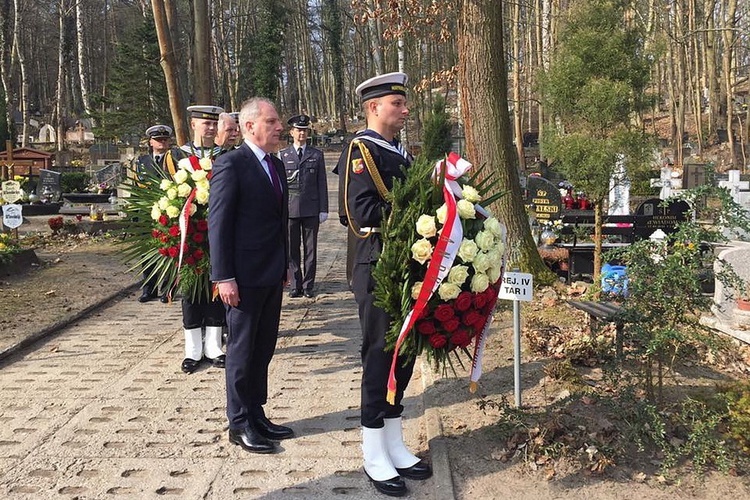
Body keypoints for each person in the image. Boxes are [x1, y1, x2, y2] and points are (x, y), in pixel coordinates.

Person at [336, 72, 432, 496]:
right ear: (374, 107)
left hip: (405, 267)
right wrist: (416, 212)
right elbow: (357, 214)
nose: (406, 109)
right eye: (398, 102)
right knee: (380, 355)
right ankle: (373, 447)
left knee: (404, 353)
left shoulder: (400, 153)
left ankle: (394, 441)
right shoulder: (362, 150)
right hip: (376, 266)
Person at [208, 97, 293, 455]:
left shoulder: (276, 165)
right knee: (241, 351)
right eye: (272, 121)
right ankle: (239, 422)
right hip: (241, 277)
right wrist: (223, 275)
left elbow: (279, 220)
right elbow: (219, 223)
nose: (279, 128)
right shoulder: (232, 164)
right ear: (249, 127)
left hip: (271, 273)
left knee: (263, 347)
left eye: (278, 122)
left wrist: (286, 263)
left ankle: (257, 412)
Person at [164, 105, 227, 374]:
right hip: (190, 236)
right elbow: (167, 194)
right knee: (190, 292)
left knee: (216, 289)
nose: (210, 128)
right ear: (193, 124)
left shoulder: (226, 156)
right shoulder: (176, 156)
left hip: (217, 235)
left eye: (214, 124)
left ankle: (214, 346)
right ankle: (192, 349)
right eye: (205, 123)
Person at [278, 114, 328, 298]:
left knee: (311, 249)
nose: (302, 134)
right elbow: (281, 185)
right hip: (291, 209)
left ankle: (308, 285)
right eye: (298, 130)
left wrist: (323, 209)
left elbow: (321, 183)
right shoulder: (283, 155)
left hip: (311, 209)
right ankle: (295, 284)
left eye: (305, 131)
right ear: (291, 132)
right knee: (292, 249)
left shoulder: (316, 155)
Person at [136, 124, 173, 303]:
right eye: (158, 140)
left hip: (168, 212)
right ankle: (148, 288)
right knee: (147, 252)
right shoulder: (141, 162)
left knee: (168, 249)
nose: (162, 143)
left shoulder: (174, 159)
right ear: (150, 142)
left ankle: (167, 289)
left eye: (165, 140)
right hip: (147, 213)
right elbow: (136, 187)